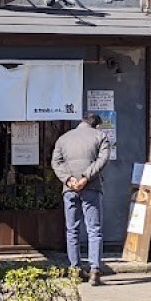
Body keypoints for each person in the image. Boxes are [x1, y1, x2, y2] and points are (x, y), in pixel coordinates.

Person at [51, 114, 110, 287]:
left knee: (72, 230)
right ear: (97, 126)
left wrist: (69, 179)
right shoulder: (101, 136)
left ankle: (75, 270)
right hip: (91, 187)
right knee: (94, 230)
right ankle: (95, 271)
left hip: (69, 189)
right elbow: (103, 160)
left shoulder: (64, 138)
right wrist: (86, 177)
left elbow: (56, 163)